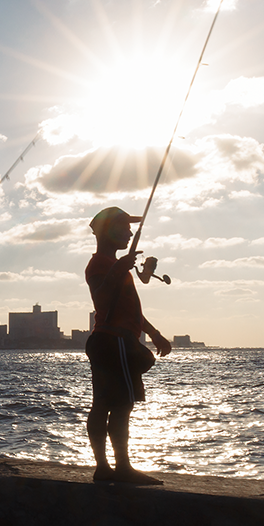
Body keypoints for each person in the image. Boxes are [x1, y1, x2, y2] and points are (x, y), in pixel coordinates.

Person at [83, 205, 172, 484]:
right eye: (123, 227)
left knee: (107, 403)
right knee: (120, 405)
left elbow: (131, 310)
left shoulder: (117, 267)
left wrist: (154, 333)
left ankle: (107, 468)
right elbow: (100, 297)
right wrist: (118, 270)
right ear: (107, 231)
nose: (130, 232)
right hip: (114, 340)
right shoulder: (100, 264)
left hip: (112, 341)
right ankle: (119, 468)